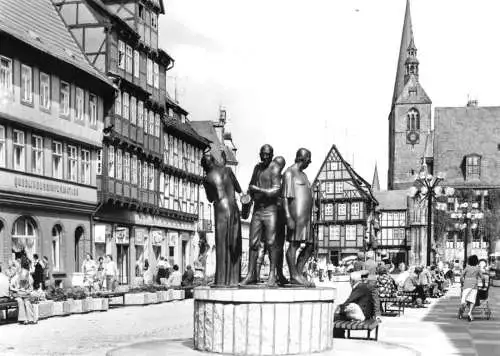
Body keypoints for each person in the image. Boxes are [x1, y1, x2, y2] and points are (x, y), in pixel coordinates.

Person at [241, 145, 283, 287]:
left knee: (271, 242)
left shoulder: (275, 169)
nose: (264, 157)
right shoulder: (257, 168)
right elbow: (251, 186)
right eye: (262, 154)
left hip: (270, 210)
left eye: (267, 155)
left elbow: (276, 190)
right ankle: (250, 274)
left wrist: (258, 189)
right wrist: (248, 197)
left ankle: (272, 274)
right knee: (253, 242)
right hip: (258, 209)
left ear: (271, 155)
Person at [201, 152, 242, 286]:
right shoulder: (228, 170)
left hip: (220, 210)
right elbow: (238, 188)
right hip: (233, 208)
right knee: (234, 243)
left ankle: (221, 279)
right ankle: (234, 279)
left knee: (222, 244)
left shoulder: (207, 178)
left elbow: (210, 198)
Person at [283, 148, 314, 287]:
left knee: (311, 244)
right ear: (303, 158)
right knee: (294, 244)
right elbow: (284, 197)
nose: (309, 163)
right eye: (308, 160)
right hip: (295, 214)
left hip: (306, 216)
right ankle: (294, 275)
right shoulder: (290, 173)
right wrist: (288, 216)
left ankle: (298, 273)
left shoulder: (304, 175)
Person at [334, 270, 381, 337]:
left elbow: (349, 300)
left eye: (350, 280)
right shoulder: (363, 286)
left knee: (336, 317)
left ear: (352, 281)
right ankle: (339, 335)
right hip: (366, 314)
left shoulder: (359, 287)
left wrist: (339, 308)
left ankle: (339, 336)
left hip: (362, 315)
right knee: (339, 314)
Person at [10, 258, 37, 324]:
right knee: (27, 301)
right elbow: (31, 285)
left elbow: (11, 285)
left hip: (18, 294)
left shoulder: (17, 274)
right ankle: (31, 319)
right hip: (26, 294)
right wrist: (27, 290)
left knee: (20, 301)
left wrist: (16, 289)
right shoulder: (28, 274)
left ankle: (23, 319)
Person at [459, 255, 484, 321]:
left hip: (466, 285)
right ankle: (469, 313)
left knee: (464, 300)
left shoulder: (467, 268)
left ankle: (461, 313)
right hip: (474, 286)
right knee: (472, 300)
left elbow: (461, 277)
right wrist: (483, 284)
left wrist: (462, 284)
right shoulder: (477, 268)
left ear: (469, 261)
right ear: (476, 261)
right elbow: (483, 278)